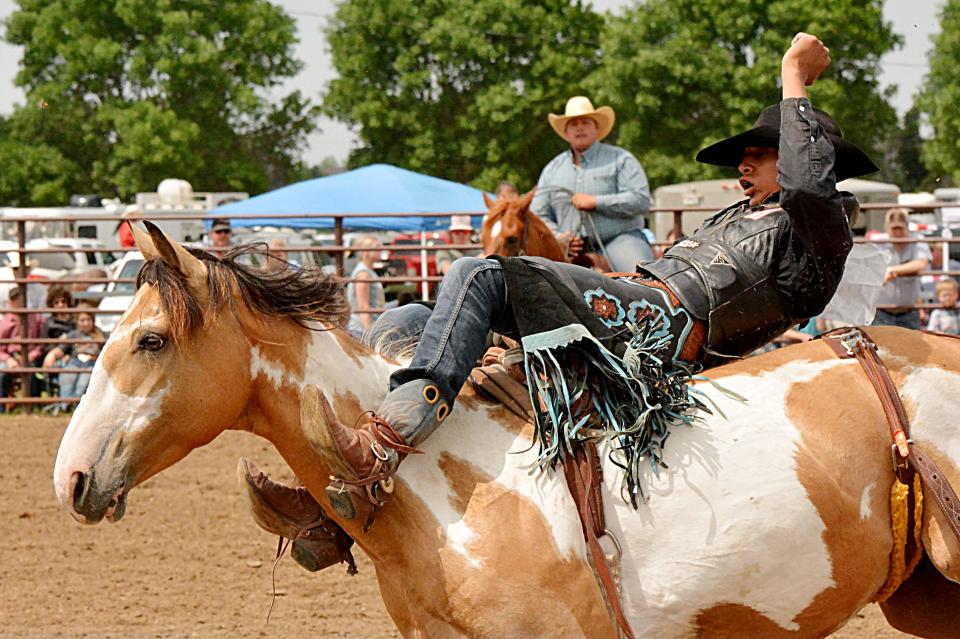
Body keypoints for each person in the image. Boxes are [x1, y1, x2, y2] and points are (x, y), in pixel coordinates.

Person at [247, 34, 879, 549]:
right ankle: (335, 499)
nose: (744, 163)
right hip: (631, 299)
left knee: (480, 273)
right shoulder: (738, 217)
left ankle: (376, 447)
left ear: (807, 161)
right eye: (746, 154)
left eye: (762, 154)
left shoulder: (815, 228)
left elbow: (804, 186)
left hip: (663, 329)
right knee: (408, 312)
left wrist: (792, 75)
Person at [530, 95, 652, 272]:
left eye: (585, 122)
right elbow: (538, 213)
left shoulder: (621, 159)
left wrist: (596, 202)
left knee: (642, 279)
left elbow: (641, 200)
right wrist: (558, 236)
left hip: (620, 238)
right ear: (566, 133)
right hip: (567, 248)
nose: (579, 127)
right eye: (573, 124)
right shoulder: (552, 169)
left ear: (597, 128)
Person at [873, 208, 931, 330]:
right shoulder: (879, 243)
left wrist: (892, 271)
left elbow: (921, 263)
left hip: (909, 312)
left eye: (900, 228)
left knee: (914, 347)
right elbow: (870, 266)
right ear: (887, 229)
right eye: (894, 228)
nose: (897, 232)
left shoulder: (917, 240)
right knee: (881, 347)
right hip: (882, 312)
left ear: (907, 227)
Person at [42, 306, 104, 401]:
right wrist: (52, 355)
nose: (86, 323)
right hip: (75, 362)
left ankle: (76, 405)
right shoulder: (74, 334)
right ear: (77, 322)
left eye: (89, 320)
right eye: (82, 320)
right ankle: (66, 404)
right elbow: (61, 349)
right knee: (67, 378)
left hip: (92, 363)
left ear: (93, 321)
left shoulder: (99, 334)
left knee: (83, 383)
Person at [0, 287, 44, 401]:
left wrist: (32, 355)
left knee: (34, 375)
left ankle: (33, 404)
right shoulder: (5, 321)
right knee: (2, 374)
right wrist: (8, 359)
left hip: (31, 356)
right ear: (10, 302)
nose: (18, 302)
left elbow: (41, 342)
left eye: (20, 298)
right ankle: (2, 407)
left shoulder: (36, 318)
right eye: (15, 299)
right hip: (11, 357)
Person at [345, 236, 386, 336]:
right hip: (361, 329)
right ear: (365, 252)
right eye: (376, 247)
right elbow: (363, 306)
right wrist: (369, 333)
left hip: (364, 326)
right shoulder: (363, 273)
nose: (380, 249)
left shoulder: (367, 271)